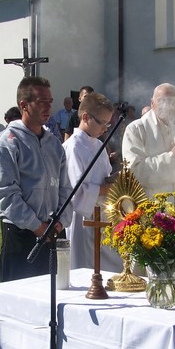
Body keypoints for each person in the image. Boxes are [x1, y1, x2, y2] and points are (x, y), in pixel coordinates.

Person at [0, 76, 73, 282]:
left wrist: (60, 224)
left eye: (50, 102)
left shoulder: (53, 143)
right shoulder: (7, 143)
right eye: (41, 101)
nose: (48, 107)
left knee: (55, 294)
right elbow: (6, 194)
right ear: (24, 105)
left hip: (53, 231)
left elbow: (66, 188)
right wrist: (38, 227)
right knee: (21, 298)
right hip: (22, 233)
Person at [63, 92, 122, 272]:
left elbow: (105, 174)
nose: (105, 129)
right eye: (102, 123)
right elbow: (75, 191)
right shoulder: (73, 147)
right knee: (85, 268)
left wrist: (117, 178)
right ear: (86, 117)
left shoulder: (98, 145)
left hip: (103, 214)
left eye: (108, 123)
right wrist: (107, 188)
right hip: (83, 218)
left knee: (107, 267)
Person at [122, 83, 175, 198]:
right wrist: (172, 156)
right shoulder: (136, 129)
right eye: (161, 100)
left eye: (172, 102)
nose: (166, 105)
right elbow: (135, 172)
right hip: (148, 204)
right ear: (152, 103)